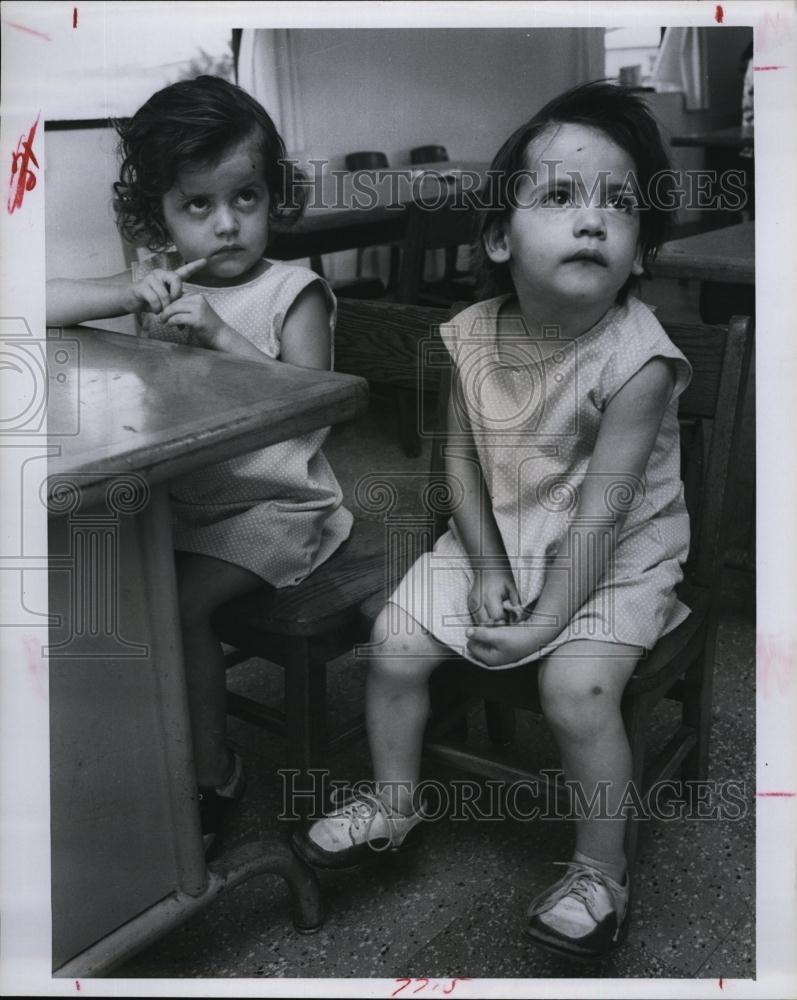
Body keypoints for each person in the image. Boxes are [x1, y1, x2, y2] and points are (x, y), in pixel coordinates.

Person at [292, 81, 692, 962]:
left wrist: (548, 621)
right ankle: (397, 802)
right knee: (394, 642)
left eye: (618, 205)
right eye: (559, 196)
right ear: (499, 237)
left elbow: (601, 514)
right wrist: (482, 568)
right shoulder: (470, 334)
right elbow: (462, 461)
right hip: (500, 532)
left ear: (637, 254)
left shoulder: (639, 362)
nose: (592, 221)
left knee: (571, 689)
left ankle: (599, 868)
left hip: (616, 550)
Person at [46, 75, 352, 855]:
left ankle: (212, 776)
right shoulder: (160, 286)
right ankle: (129, 761)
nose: (225, 225)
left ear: (271, 197)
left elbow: (318, 404)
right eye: (197, 207)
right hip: (180, 500)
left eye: (244, 199)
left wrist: (221, 337)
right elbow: (27, 306)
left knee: (175, 610)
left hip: (276, 509)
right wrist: (120, 288)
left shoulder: (294, 291)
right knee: (94, 594)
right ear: (159, 217)